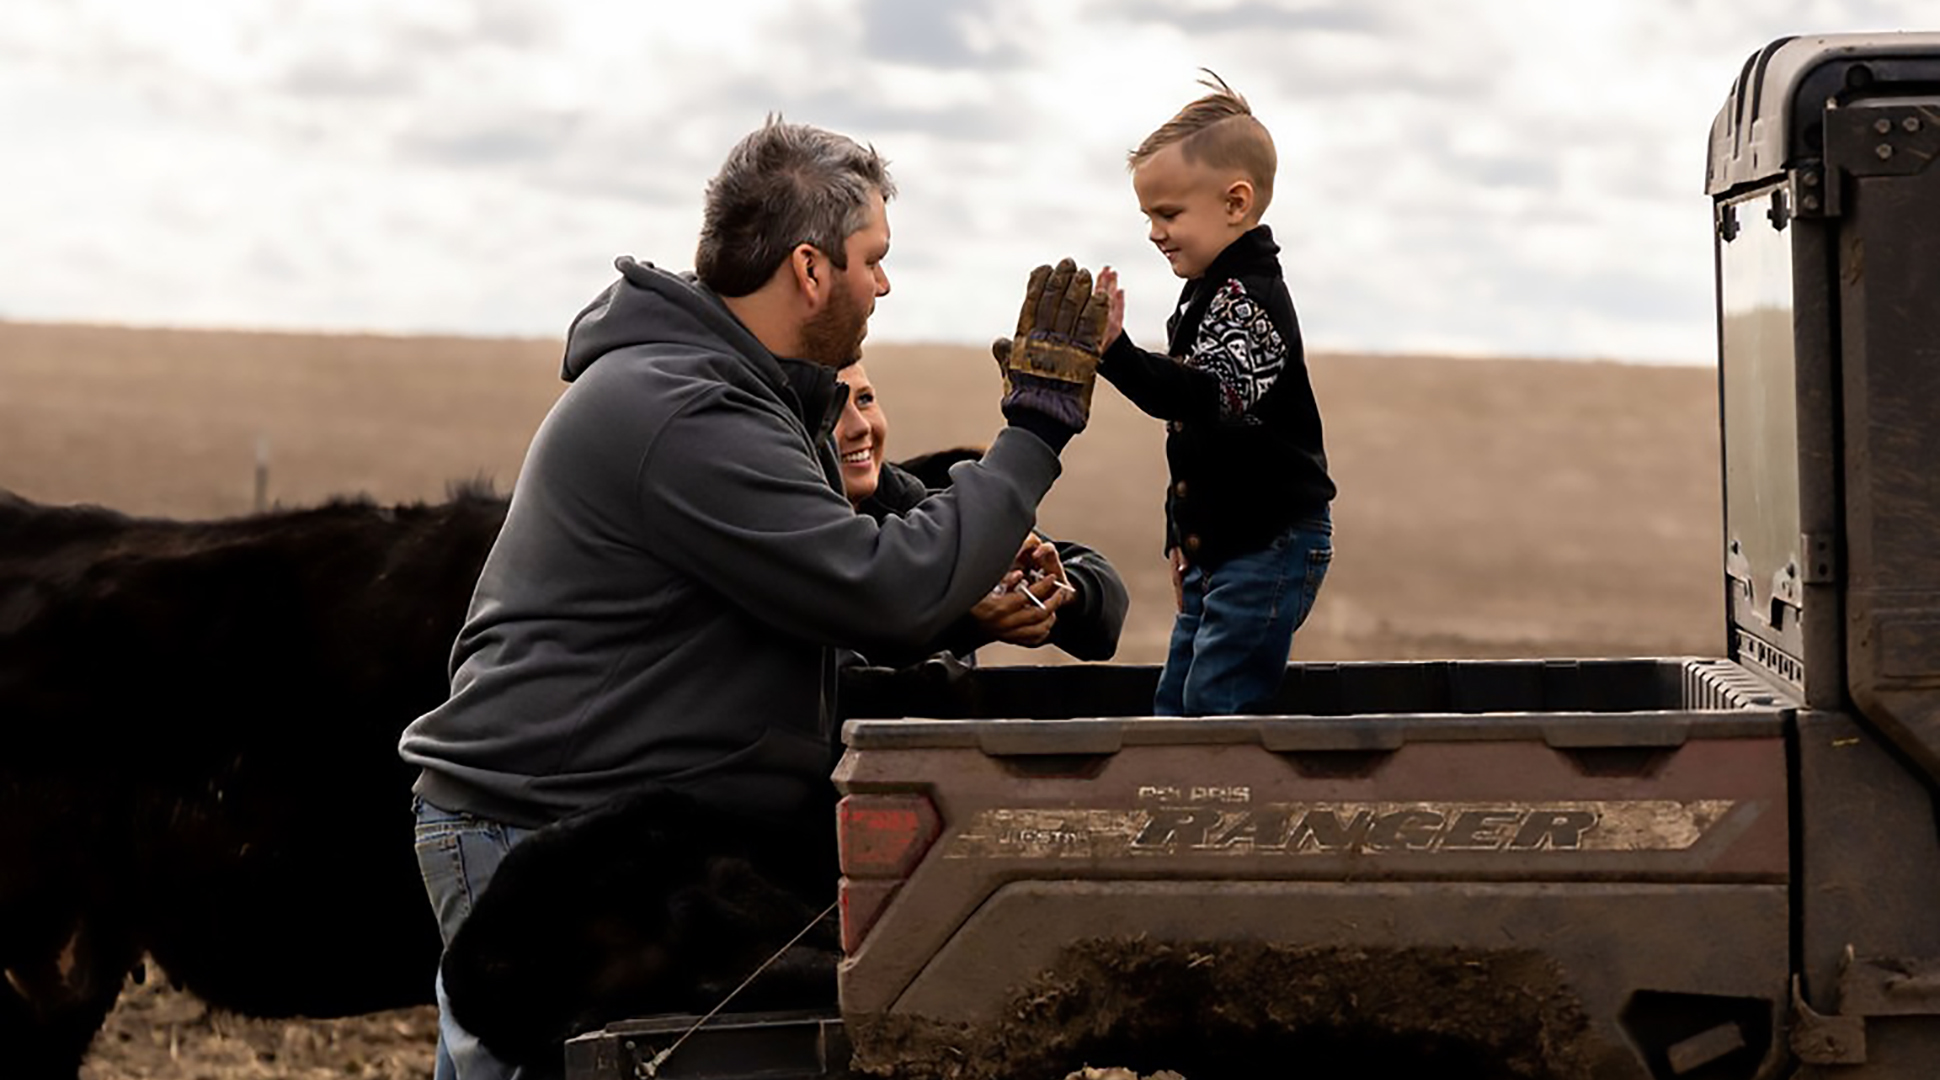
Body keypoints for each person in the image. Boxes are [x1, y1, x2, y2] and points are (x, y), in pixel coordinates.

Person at [397, 118, 1109, 1079]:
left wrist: (987, 588)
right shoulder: (685, 407)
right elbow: (881, 589)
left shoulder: (750, 397)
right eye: (874, 260)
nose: (884, 287)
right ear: (811, 271)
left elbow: (867, 577)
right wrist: (1035, 427)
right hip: (545, 841)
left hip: (612, 837)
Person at [1092, 73, 1336, 717]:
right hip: (1225, 545)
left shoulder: (1252, 300)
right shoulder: (1209, 291)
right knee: (1177, 702)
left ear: (1235, 203)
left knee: (1219, 703)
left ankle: (1223, 814)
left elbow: (1199, 399)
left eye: (1167, 214)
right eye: (1148, 216)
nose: (1154, 232)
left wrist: (1113, 351)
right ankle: (1182, 806)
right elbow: (1201, 446)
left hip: (1270, 541)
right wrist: (1185, 539)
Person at [832, 359, 1127, 665]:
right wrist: (966, 619)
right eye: (832, 408)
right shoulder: (788, 535)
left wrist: (1060, 592)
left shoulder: (905, 500)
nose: (861, 426)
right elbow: (841, 660)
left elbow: (1105, 600)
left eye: (864, 399)